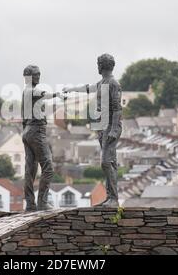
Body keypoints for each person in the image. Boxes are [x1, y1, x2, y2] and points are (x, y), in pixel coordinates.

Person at [63, 54, 122, 207]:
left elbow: (117, 109)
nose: (97, 66)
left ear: (103, 65)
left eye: (98, 64)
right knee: (111, 163)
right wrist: (72, 90)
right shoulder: (102, 82)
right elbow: (88, 88)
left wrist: (114, 130)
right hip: (102, 127)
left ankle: (114, 199)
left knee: (106, 163)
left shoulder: (113, 83)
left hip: (110, 127)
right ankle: (111, 197)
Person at [21, 65, 64, 211]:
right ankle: (42, 203)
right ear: (28, 77)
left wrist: (25, 133)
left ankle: (30, 204)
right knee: (48, 167)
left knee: (30, 170)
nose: (38, 77)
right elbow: (42, 94)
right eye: (35, 75)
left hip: (27, 131)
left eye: (39, 74)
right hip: (36, 131)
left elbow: (23, 117)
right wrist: (57, 94)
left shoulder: (25, 92)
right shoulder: (31, 90)